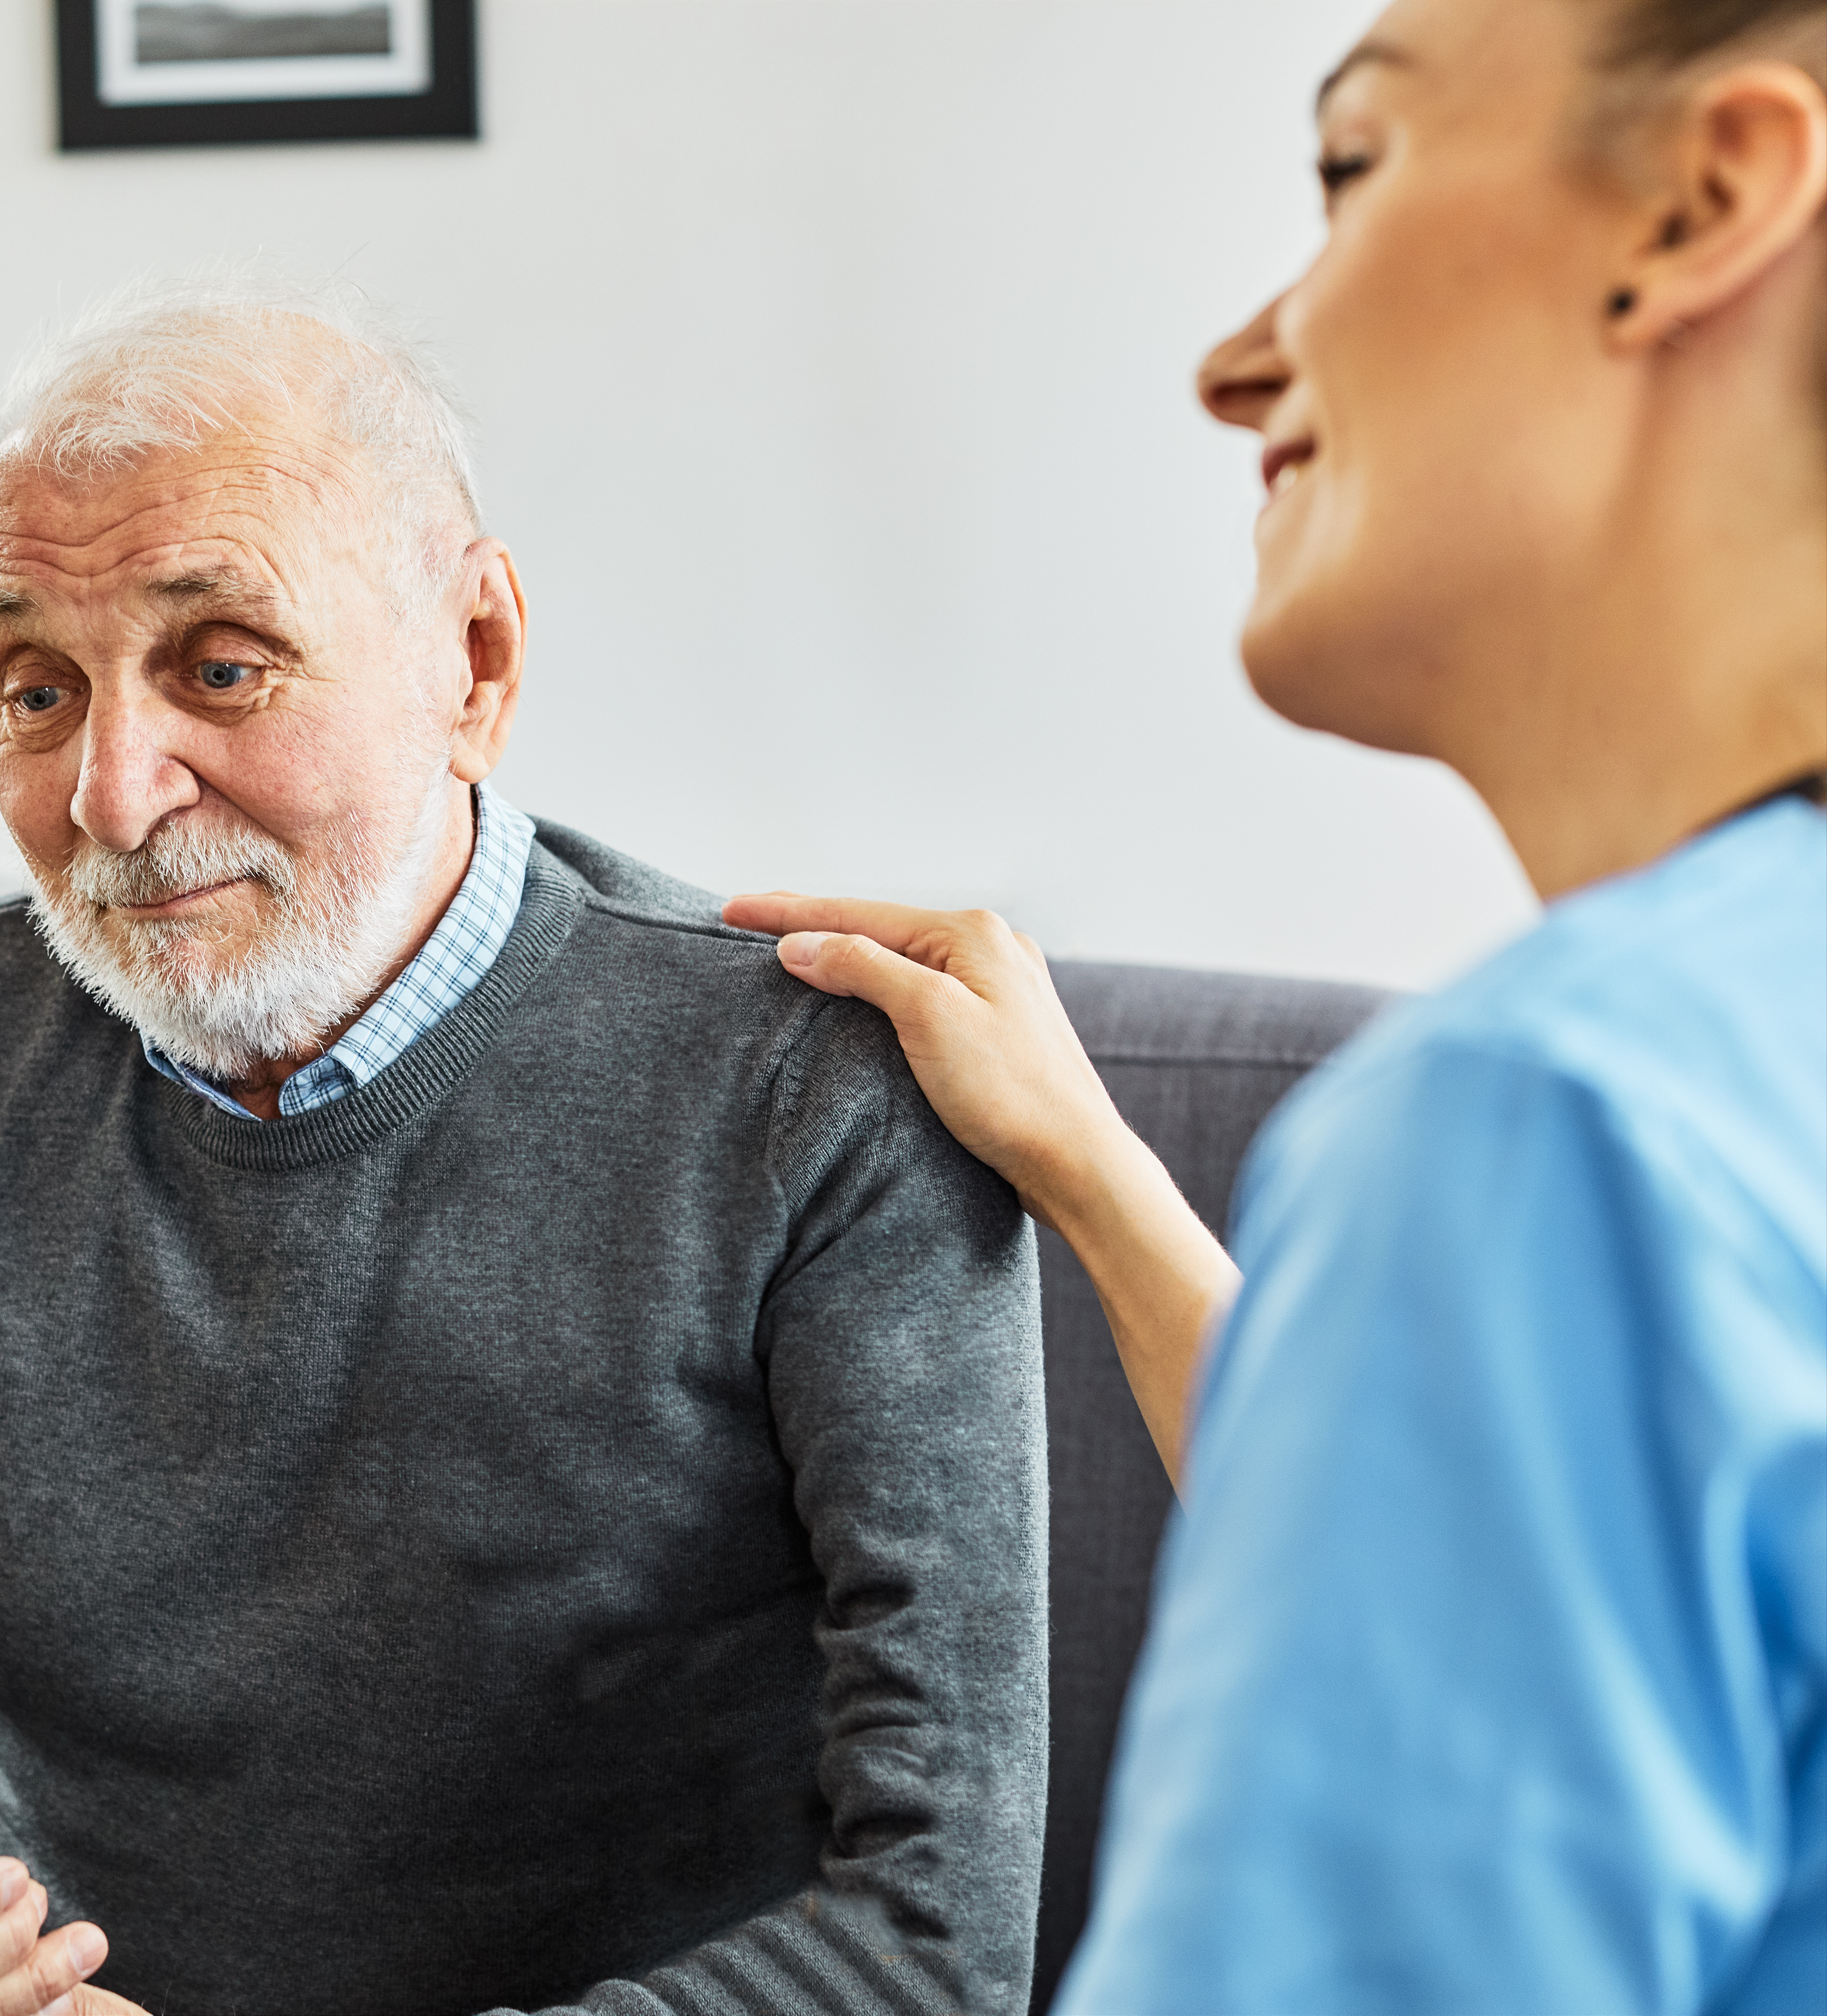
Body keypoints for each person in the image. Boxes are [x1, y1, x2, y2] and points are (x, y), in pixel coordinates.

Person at [0, 278, 1055, 2016]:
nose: (110, 792)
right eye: (31, 688)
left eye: (220, 666)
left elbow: (936, 1935)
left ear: (475, 662)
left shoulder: (818, 1087)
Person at [730, 0, 1827, 2007]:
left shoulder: (1552, 1126)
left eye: (1355, 171)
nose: (1234, 361)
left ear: (1706, 197)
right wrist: (1092, 1170)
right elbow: (1520, 1589)